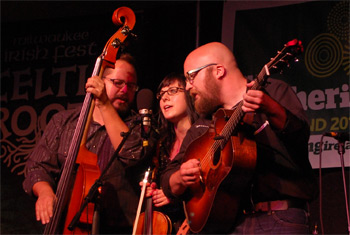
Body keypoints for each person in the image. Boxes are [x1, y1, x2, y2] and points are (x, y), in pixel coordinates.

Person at [160, 42, 318, 234]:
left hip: (280, 218)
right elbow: (169, 176)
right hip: (229, 224)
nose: (187, 87)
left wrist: (271, 108)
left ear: (218, 71)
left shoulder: (273, 92)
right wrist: (180, 177)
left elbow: (300, 136)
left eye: (191, 77)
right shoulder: (202, 126)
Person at [23, 53, 157, 234]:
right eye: (118, 83)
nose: (125, 91)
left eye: (131, 86)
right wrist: (45, 192)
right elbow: (37, 166)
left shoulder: (139, 127)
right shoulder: (64, 121)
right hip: (66, 224)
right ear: (100, 81)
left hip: (118, 229)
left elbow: (131, 154)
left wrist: (104, 103)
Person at [138, 73, 198, 234]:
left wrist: (173, 196)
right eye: (161, 94)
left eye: (172, 91)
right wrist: (153, 190)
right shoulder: (161, 145)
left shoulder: (204, 134)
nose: (165, 98)